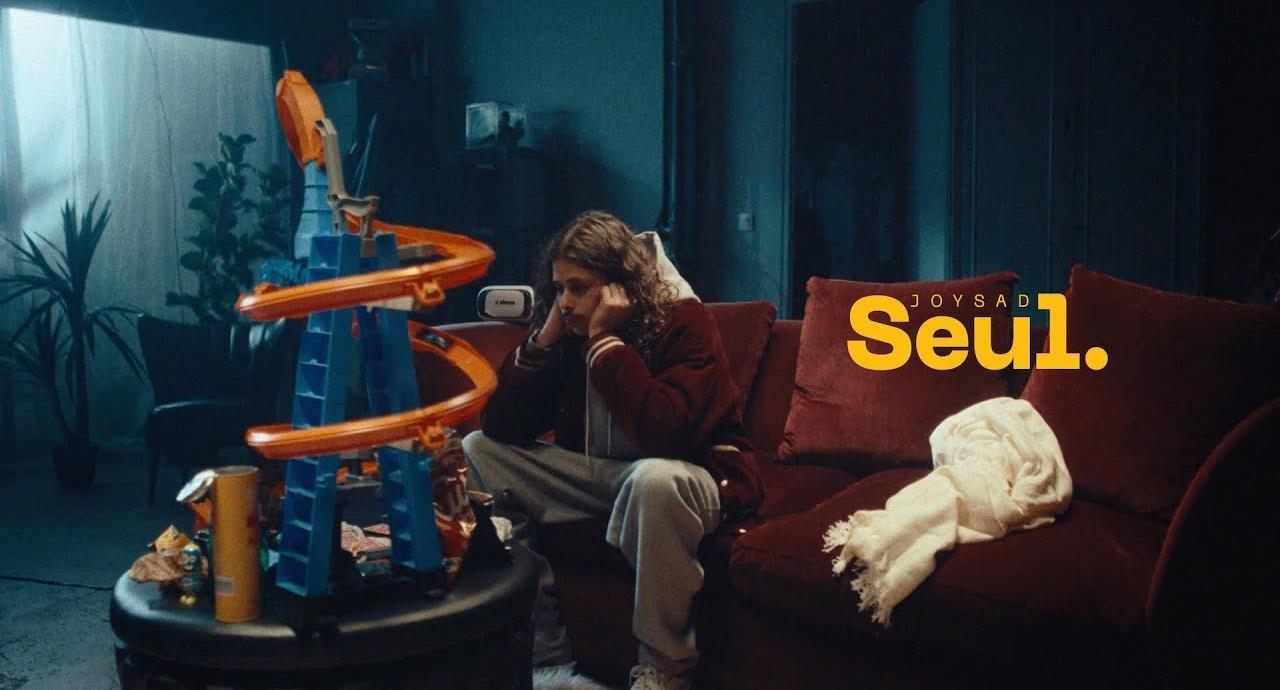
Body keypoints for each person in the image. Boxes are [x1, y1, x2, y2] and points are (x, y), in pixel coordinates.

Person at [462, 210, 763, 690]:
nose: (565, 303)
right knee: (479, 450)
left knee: (653, 479)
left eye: (578, 288)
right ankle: (545, 658)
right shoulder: (567, 327)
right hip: (605, 477)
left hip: (692, 478)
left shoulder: (684, 319)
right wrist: (543, 341)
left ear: (622, 286)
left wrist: (606, 343)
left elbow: (665, 435)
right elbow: (502, 427)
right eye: (559, 288)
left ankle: (664, 671)